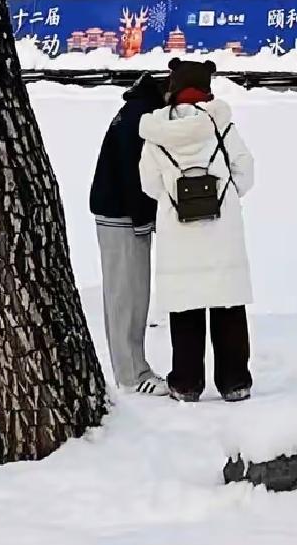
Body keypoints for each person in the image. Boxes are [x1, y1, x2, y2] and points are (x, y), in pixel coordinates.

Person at [138, 57, 256, 402]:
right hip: (222, 230)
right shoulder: (222, 125)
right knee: (228, 306)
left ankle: (187, 384)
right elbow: (245, 171)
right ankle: (235, 382)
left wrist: (175, 202)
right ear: (206, 89)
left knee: (185, 308)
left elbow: (149, 183)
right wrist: (226, 197)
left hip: (179, 232)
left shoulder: (156, 133)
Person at [89, 72, 170, 395]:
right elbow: (132, 172)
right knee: (127, 296)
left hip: (117, 211)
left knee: (130, 295)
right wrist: (141, 219)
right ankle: (131, 375)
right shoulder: (142, 117)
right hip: (120, 214)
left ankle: (132, 369)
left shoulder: (136, 109)